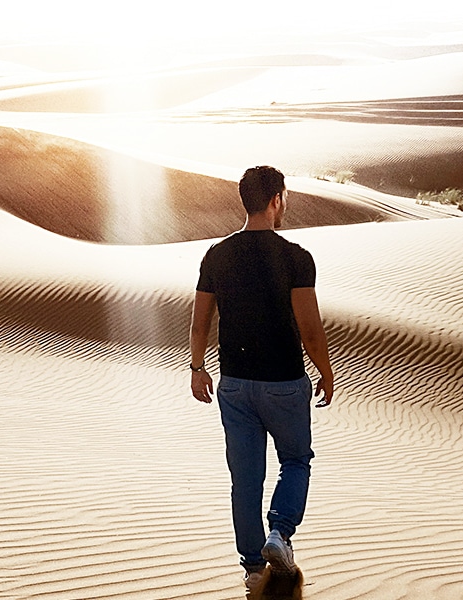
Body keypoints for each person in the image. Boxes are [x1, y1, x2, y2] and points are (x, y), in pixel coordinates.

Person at [188, 165, 334, 590]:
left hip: (234, 385)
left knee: (245, 480)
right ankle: (279, 535)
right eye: (284, 197)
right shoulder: (296, 257)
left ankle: (253, 569)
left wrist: (198, 369)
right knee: (295, 460)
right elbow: (310, 328)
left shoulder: (216, 255)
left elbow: (200, 324)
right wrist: (325, 372)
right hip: (284, 383)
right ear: (276, 200)